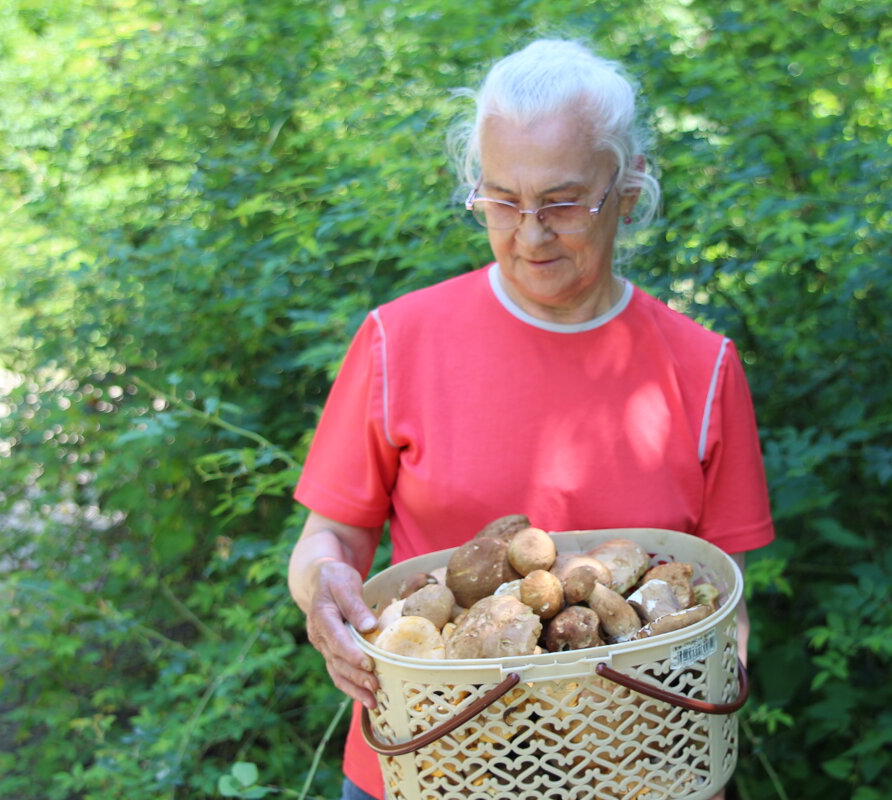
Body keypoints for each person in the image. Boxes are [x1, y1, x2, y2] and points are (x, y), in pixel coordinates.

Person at [287, 38, 774, 800]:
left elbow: (725, 597)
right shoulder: (400, 340)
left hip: (639, 773)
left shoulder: (701, 367)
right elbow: (330, 537)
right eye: (502, 199)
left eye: (562, 201)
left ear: (629, 183)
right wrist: (325, 591)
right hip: (428, 763)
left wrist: (701, 720)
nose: (530, 232)